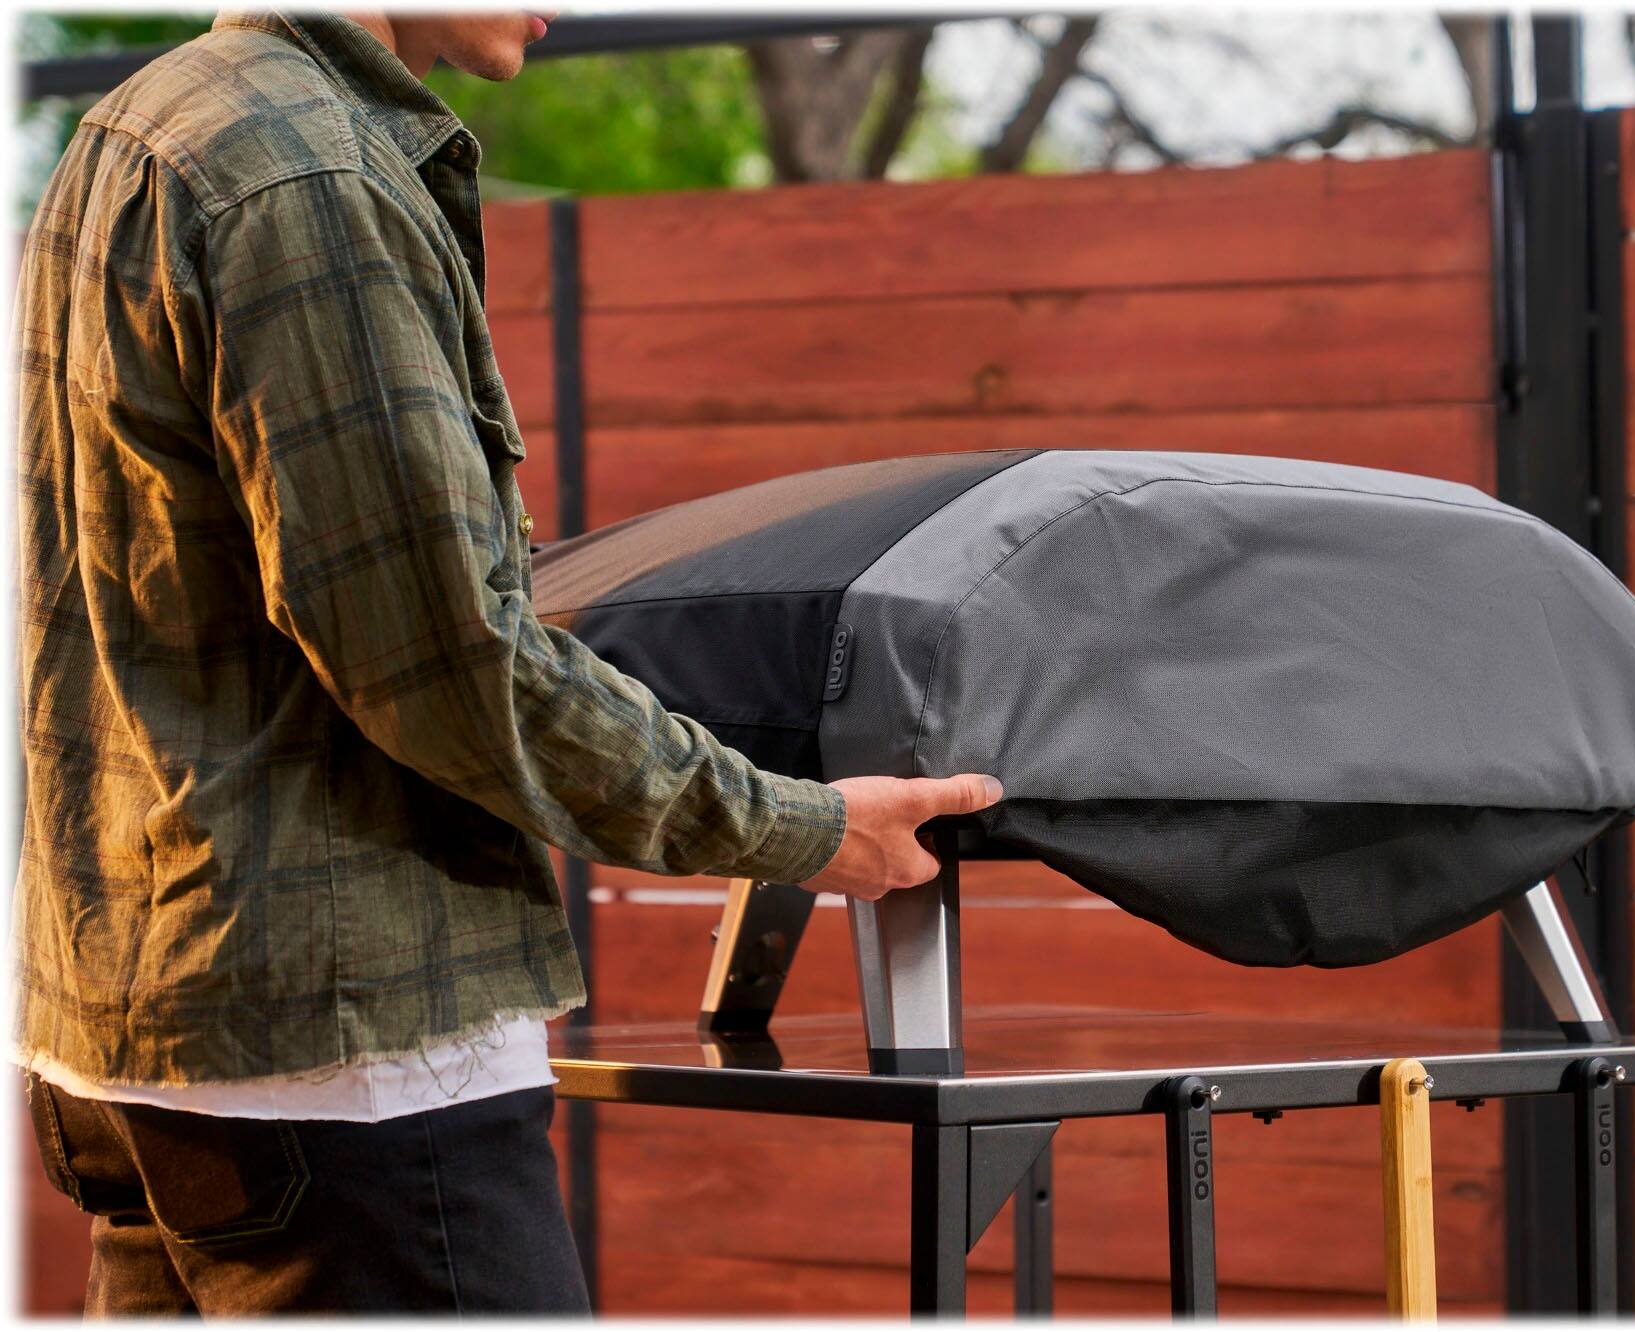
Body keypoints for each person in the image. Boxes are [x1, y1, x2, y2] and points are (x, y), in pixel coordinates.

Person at [11, 8, 999, 1314]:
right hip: (345, 1060)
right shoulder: (310, 175)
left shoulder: (128, 134)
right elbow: (449, 668)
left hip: (131, 1038)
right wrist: (803, 828)